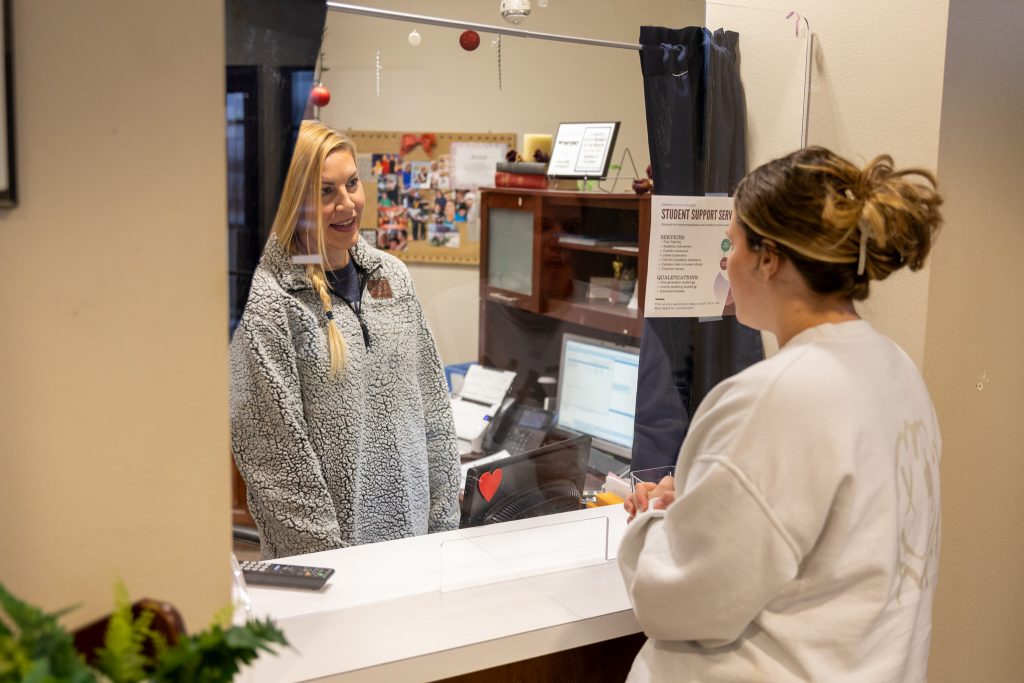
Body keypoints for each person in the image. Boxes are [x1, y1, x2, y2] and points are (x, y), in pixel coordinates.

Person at [619, 147, 943, 681]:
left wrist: (656, 525)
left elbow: (679, 601)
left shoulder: (778, 397)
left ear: (769, 259)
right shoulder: (897, 371)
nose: (725, 260)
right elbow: (831, 543)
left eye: (733, 243)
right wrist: (707, 504)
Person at [230, 120, 460, 560]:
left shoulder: (391, 277)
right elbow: (275, 459)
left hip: (417, 549)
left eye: (352, 183)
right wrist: (331, 567)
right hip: (328, 562)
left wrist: (444, 527)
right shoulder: (267, 300)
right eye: (325, 192)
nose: (348, 204)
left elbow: (434, 407)